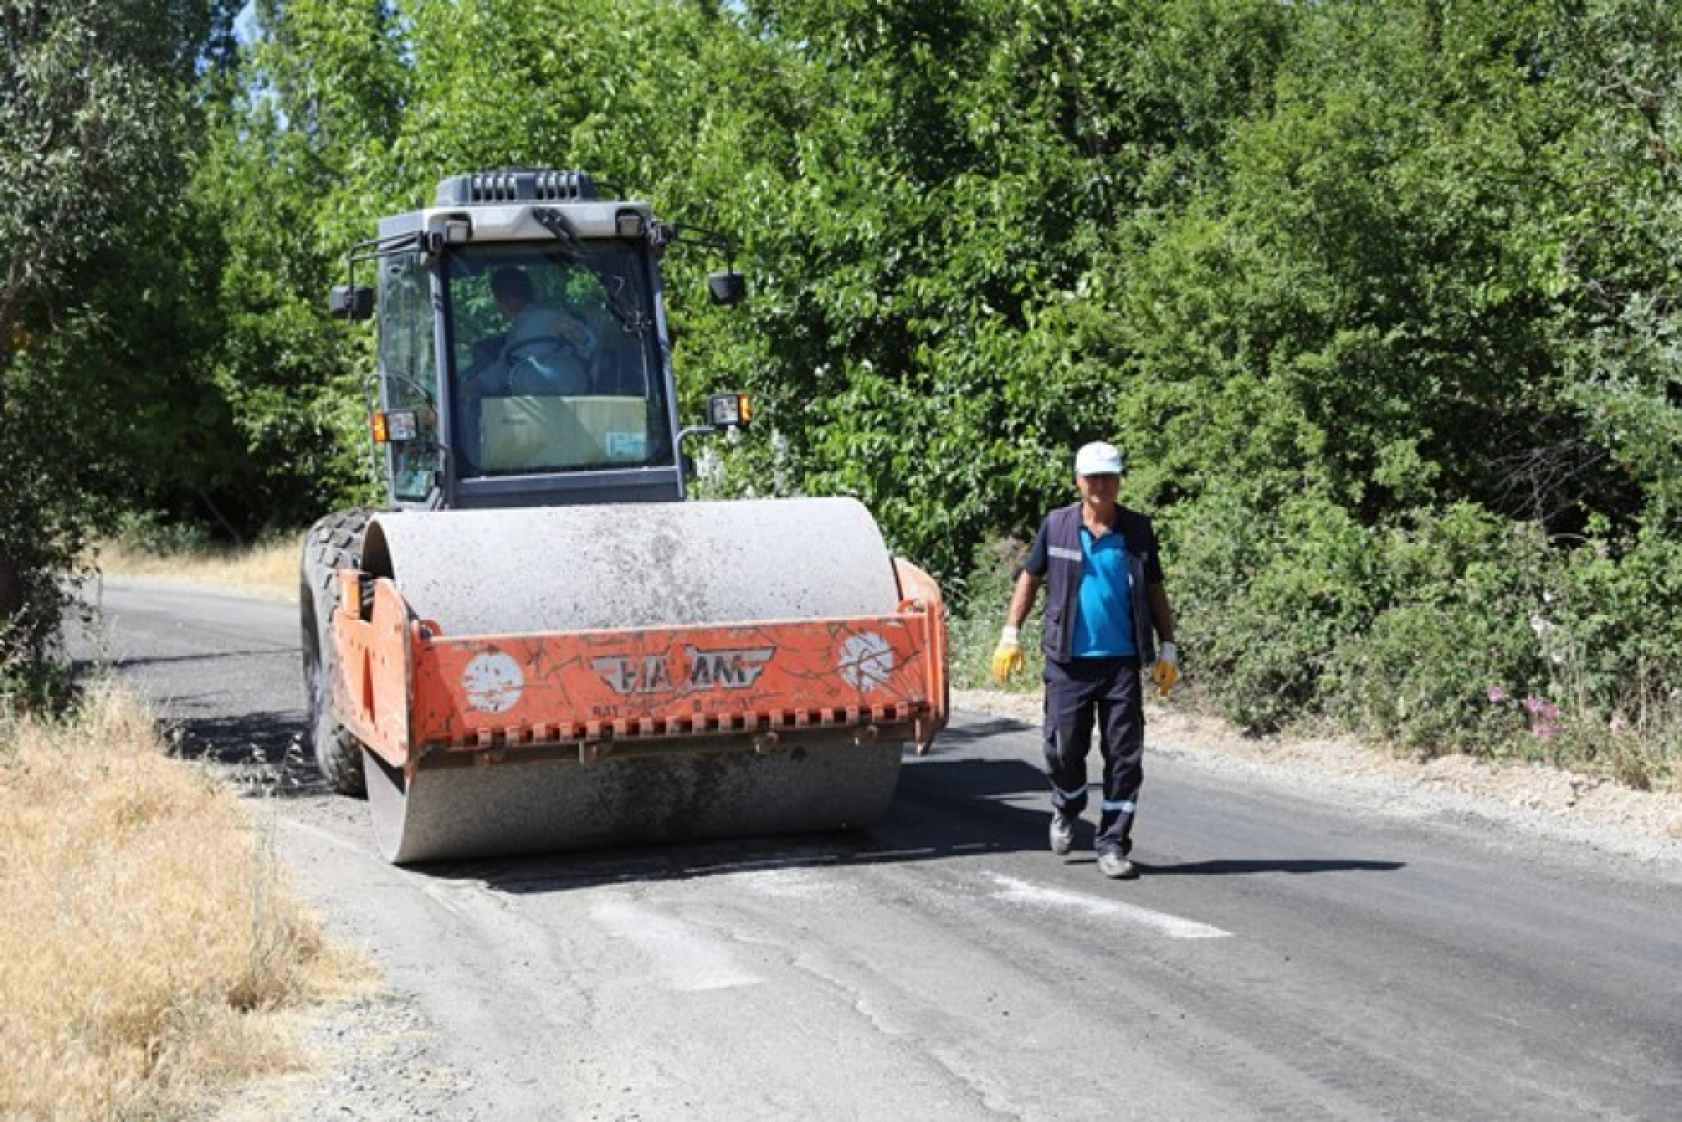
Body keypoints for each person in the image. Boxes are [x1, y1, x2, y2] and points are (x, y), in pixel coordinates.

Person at [991, 440, 1179, 880]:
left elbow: (1154, 589)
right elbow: (1029, 578)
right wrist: (1010, 634)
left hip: (1120, 664)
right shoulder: (1055, 526)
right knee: (1062, 749)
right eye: (1093, 478)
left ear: (1119, 481)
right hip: (1067, 662)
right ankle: (1068, 803)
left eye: (1109, 477)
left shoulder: (1137, 530)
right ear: (1078, 482)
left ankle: (1112, 842)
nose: (1101, 486)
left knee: (1125, 757)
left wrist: (1167, 645)